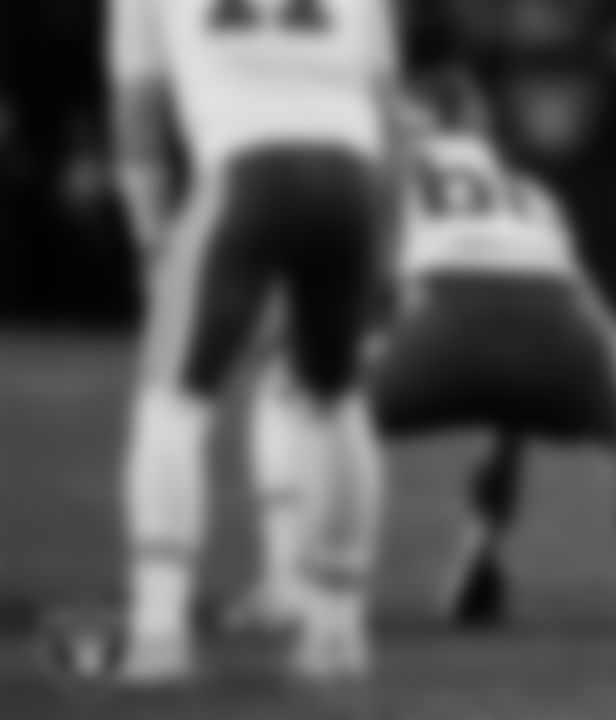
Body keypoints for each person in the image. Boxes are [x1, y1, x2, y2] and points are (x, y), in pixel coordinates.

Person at [242, 94, 616, 635]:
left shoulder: (383, 173)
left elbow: (358, 283)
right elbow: (594, 313)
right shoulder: (527, 191)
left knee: (288, 387)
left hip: (445, 319)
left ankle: (286, 583)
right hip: (557, 323)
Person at [102, 0, 398, 684]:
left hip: (246, 170)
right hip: (350, 175)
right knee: (336, 398)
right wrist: (393, 238)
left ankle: (158, 628)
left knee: (170, 405)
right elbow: (388, 113)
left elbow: (138, 114)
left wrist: (150, 239)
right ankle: (337, 630)